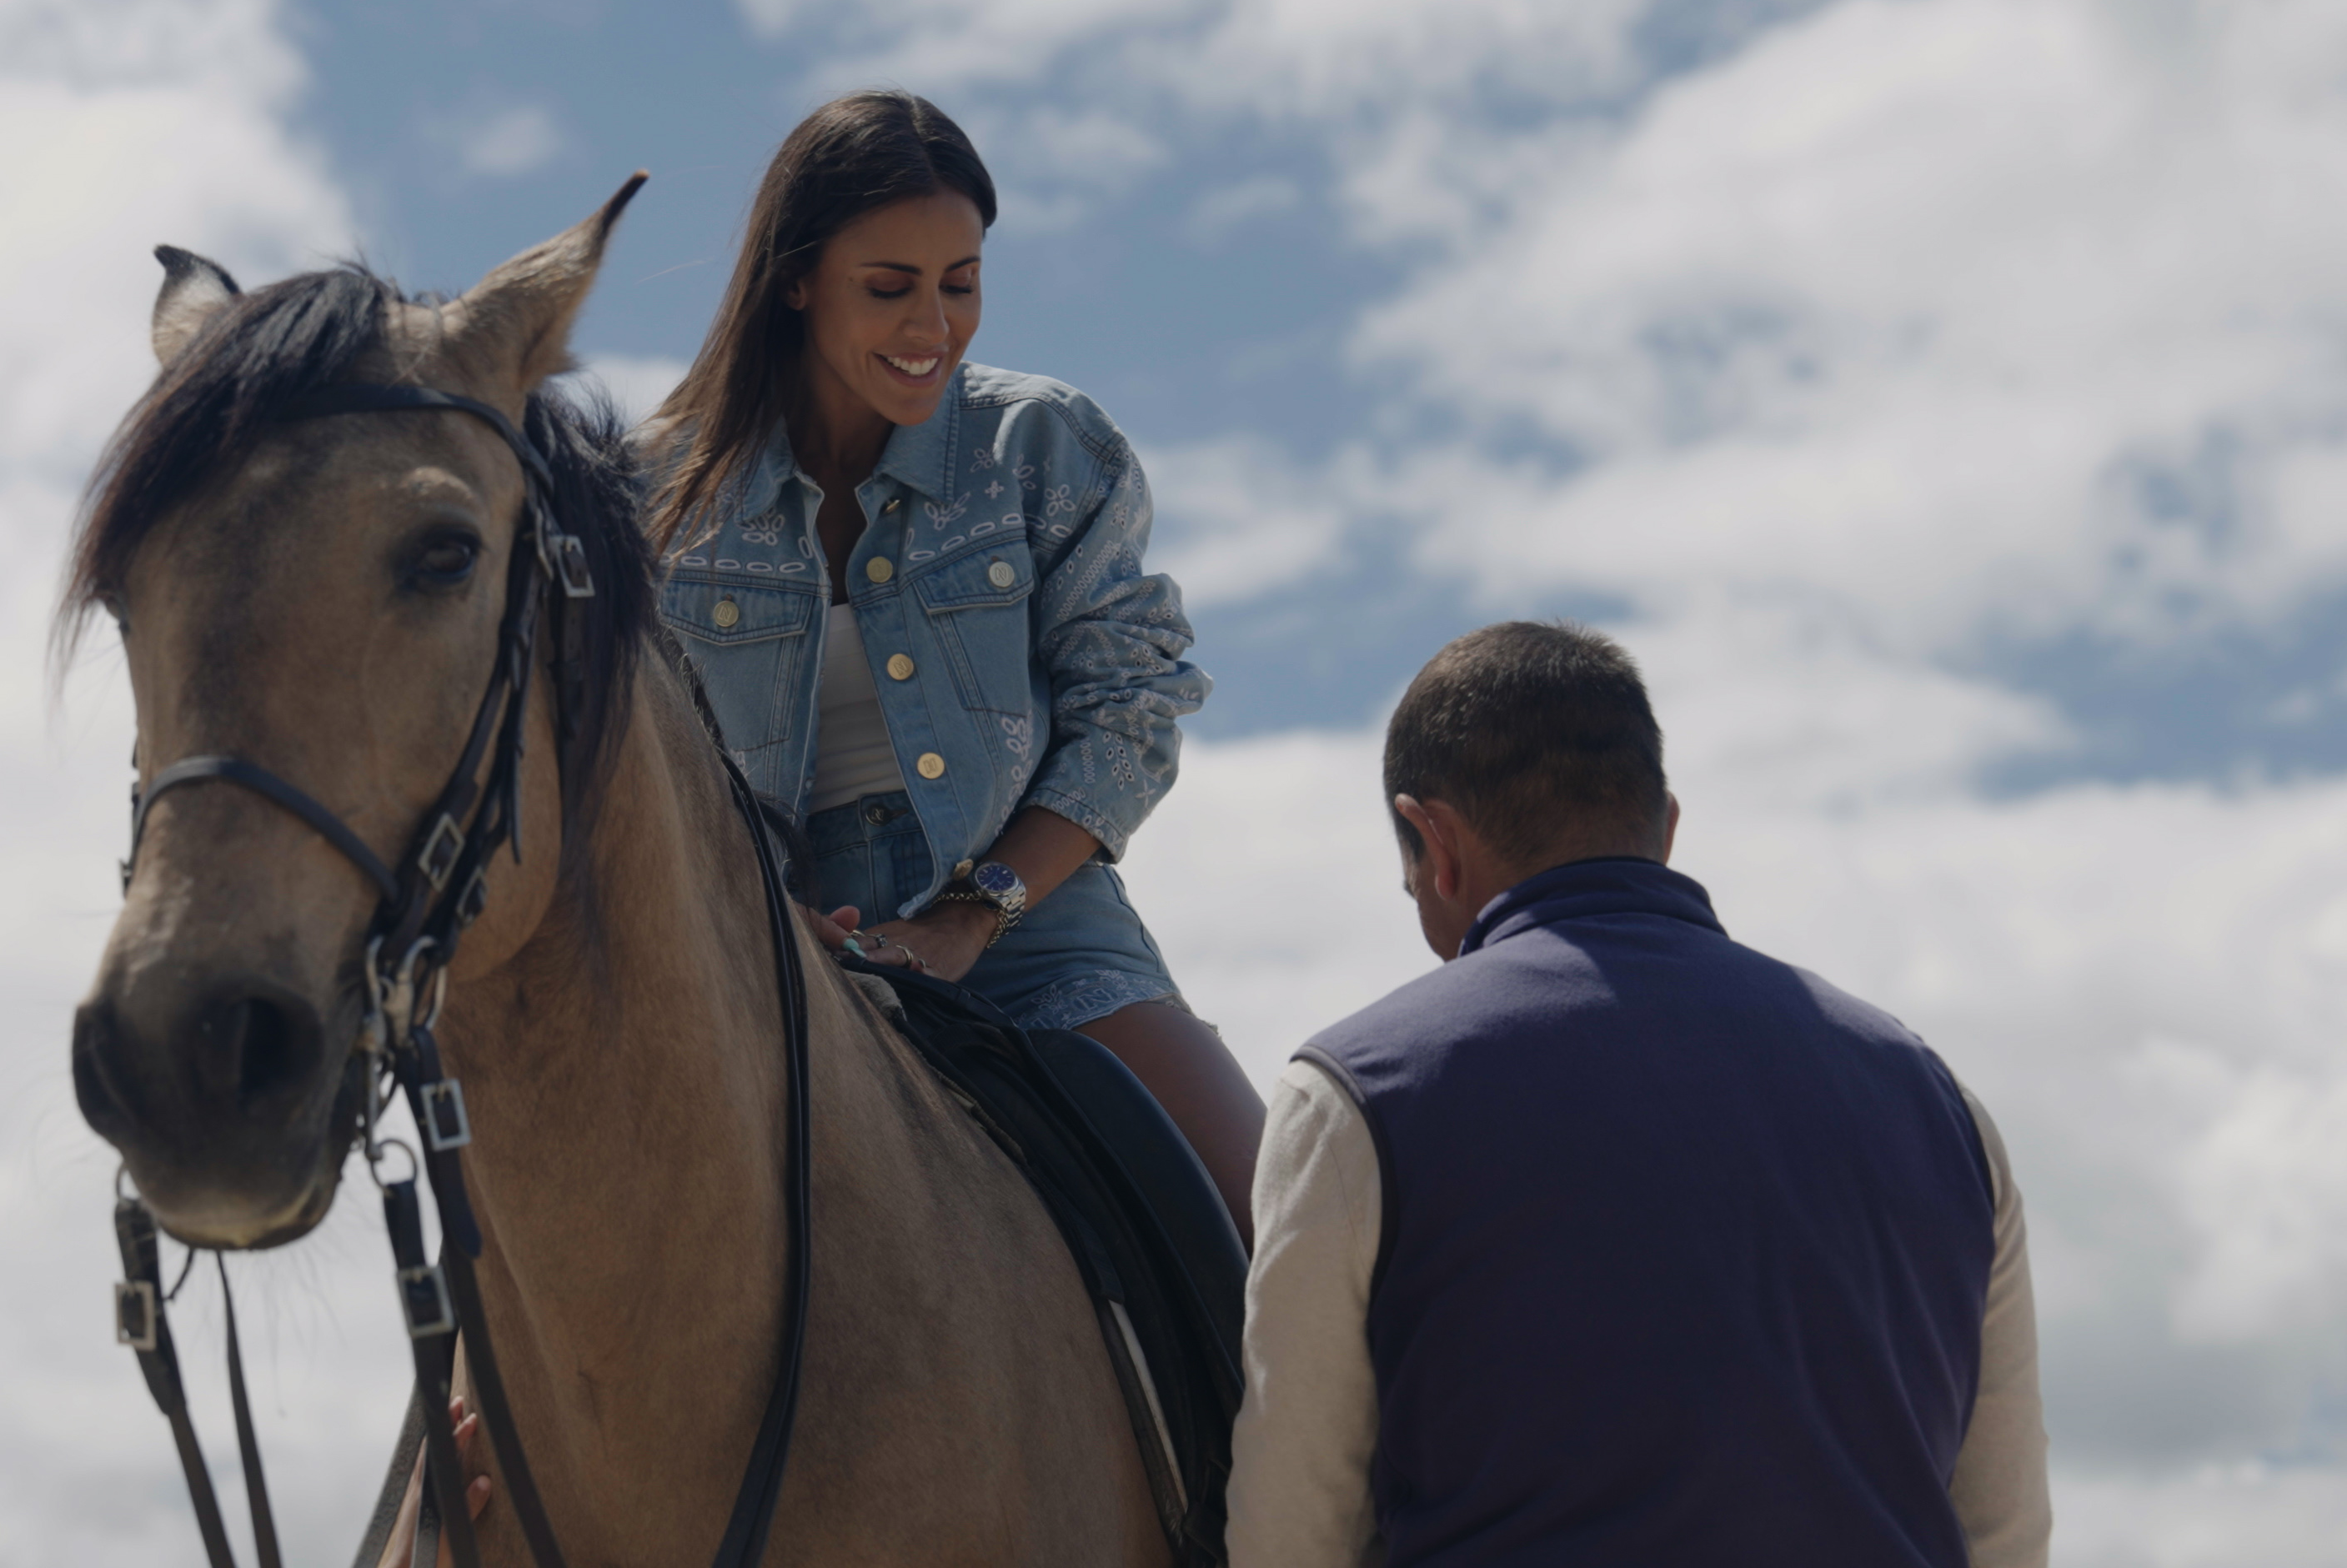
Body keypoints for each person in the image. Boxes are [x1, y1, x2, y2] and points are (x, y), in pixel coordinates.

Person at [1226, 621, 2049, 1565]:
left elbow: (1292, 1530)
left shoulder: (1353, 1097)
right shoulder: (1941, 1106)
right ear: (1665, 826)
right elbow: (2002, 1529)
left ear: (1432, 841)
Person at [640, 89, 1266, 1233]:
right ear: (796, 280)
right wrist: (777, 918)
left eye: (960, 283)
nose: (933, 324)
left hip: (1038, 933)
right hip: (757, 962)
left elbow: (1129, 717)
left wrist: (970, 915)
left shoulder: (1044, 450)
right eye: (889, 288)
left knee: (1281, 1243)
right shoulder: (653, 502)